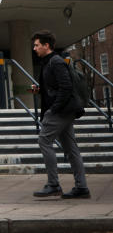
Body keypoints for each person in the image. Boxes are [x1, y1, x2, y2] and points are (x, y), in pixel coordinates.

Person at [31, 30, 90, 199]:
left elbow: (66, 87)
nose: (34, 48)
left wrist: (54, 109)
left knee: (44, 140)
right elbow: (57, 86)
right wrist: (40, 90)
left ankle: (53, 184)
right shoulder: (48, 62)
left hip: (61, 111)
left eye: (37, 45)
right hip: (64, 110)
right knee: (71, 149)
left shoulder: (55, 62)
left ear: (46, 45)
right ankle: (82, 187)